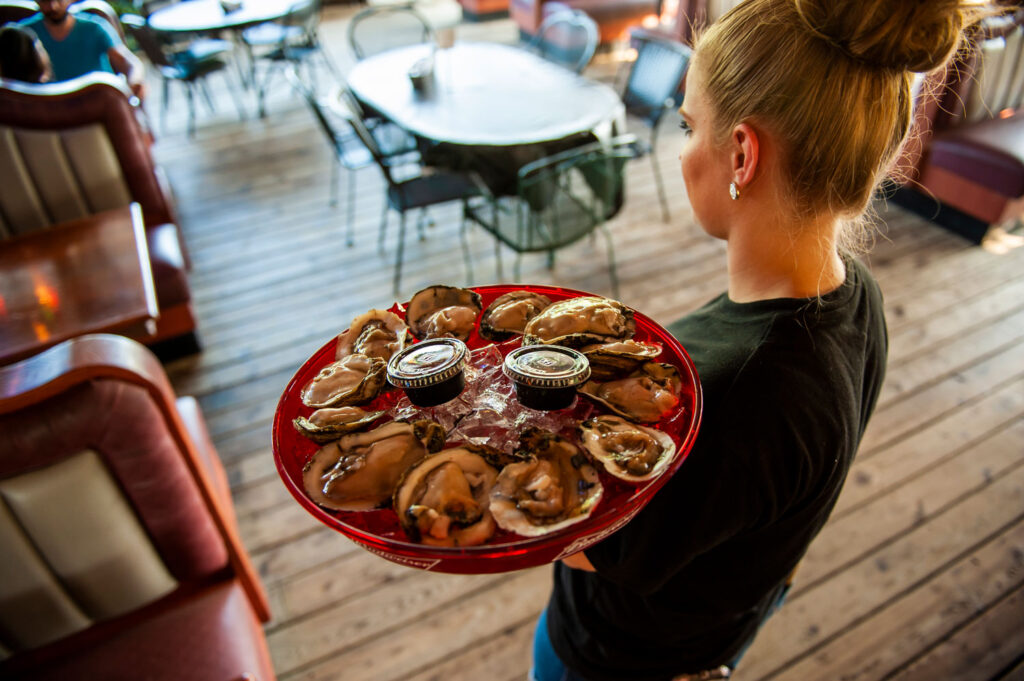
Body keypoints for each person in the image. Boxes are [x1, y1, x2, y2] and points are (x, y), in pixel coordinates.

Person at [532, 1, 988, 680]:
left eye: (690, 127)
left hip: (617, 657)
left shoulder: (732, 394)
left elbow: (578, 543)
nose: (685, 150)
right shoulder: (856, 295)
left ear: (742, 153)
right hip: (724, 618)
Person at [19, 0, 145, 98]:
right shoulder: (23, 33)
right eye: (45, 1)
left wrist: (135, 80)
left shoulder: (95, 27)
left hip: (98, 105)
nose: (53, 6)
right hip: (50, 110)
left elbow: (127, 61)